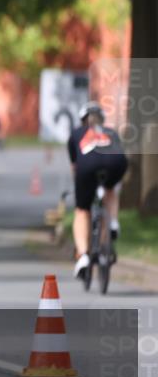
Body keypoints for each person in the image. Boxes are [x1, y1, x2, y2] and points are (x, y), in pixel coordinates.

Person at [68, 102, 127, 280]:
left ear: (82, 120)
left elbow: (75, 166)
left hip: (88, 166)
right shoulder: (111, 132)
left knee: (82, 211)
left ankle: (84, 255)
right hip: (116, 164)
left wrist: (81, 192)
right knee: (110, 190)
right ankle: (113, 222)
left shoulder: (77, 133)